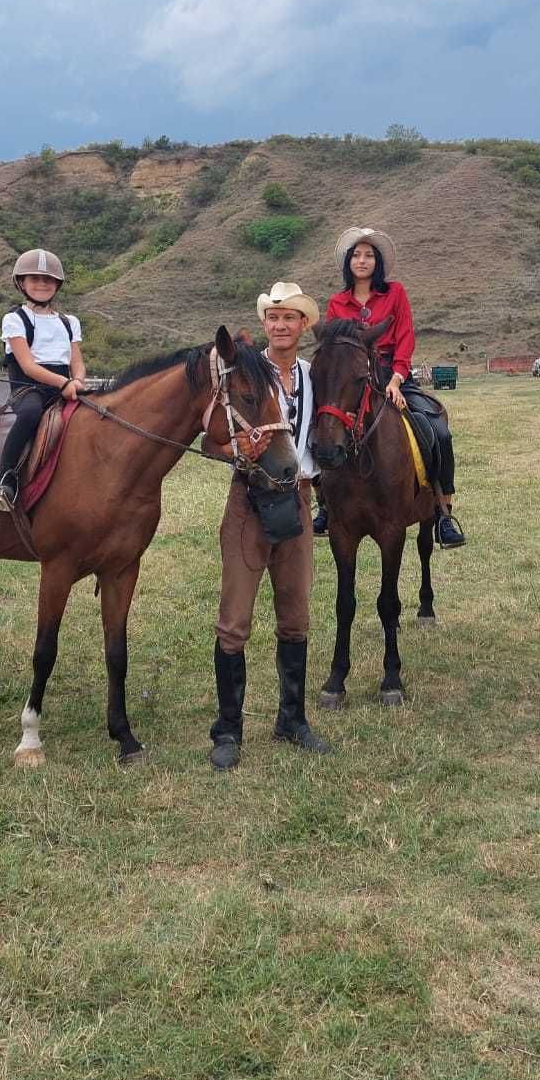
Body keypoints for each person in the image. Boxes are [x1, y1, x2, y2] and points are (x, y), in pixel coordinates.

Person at [209, 281, 333, 771]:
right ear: (264, 324)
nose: (281, 325)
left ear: (303, 325)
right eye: (273, 318)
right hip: (249, 499)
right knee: (234, 618)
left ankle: (292, 719)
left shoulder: (313, 374)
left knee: (296, 614)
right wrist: (240, 450)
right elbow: (209, 440)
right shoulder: (245, 371)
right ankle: (228, 729)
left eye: (290, 318)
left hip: (298, 496)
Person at [314, 226, 465, 549]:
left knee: (438, 431)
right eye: (357, 255)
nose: (362, 260)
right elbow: (333, 349)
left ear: (377, 262)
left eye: (369, 255)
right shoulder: (337, 302)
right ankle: (326, 505)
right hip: (352, 379)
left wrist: (397, 379)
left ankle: (442, 510)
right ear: (348, 262)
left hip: (392, 376)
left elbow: (406, 338)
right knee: (322, 425)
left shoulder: (395, 293)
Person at [0, 248, 89, 511]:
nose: (42, 284)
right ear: (21, 283)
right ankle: (6, 478)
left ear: (57, 285)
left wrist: (78, 379)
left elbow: (76, 361)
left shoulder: (69, 322)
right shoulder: (14, 319)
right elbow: (28, 365)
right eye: (34, 279)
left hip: (64, 387)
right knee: (31, 413)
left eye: (48, 280)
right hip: (28, 388)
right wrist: (64, 383)